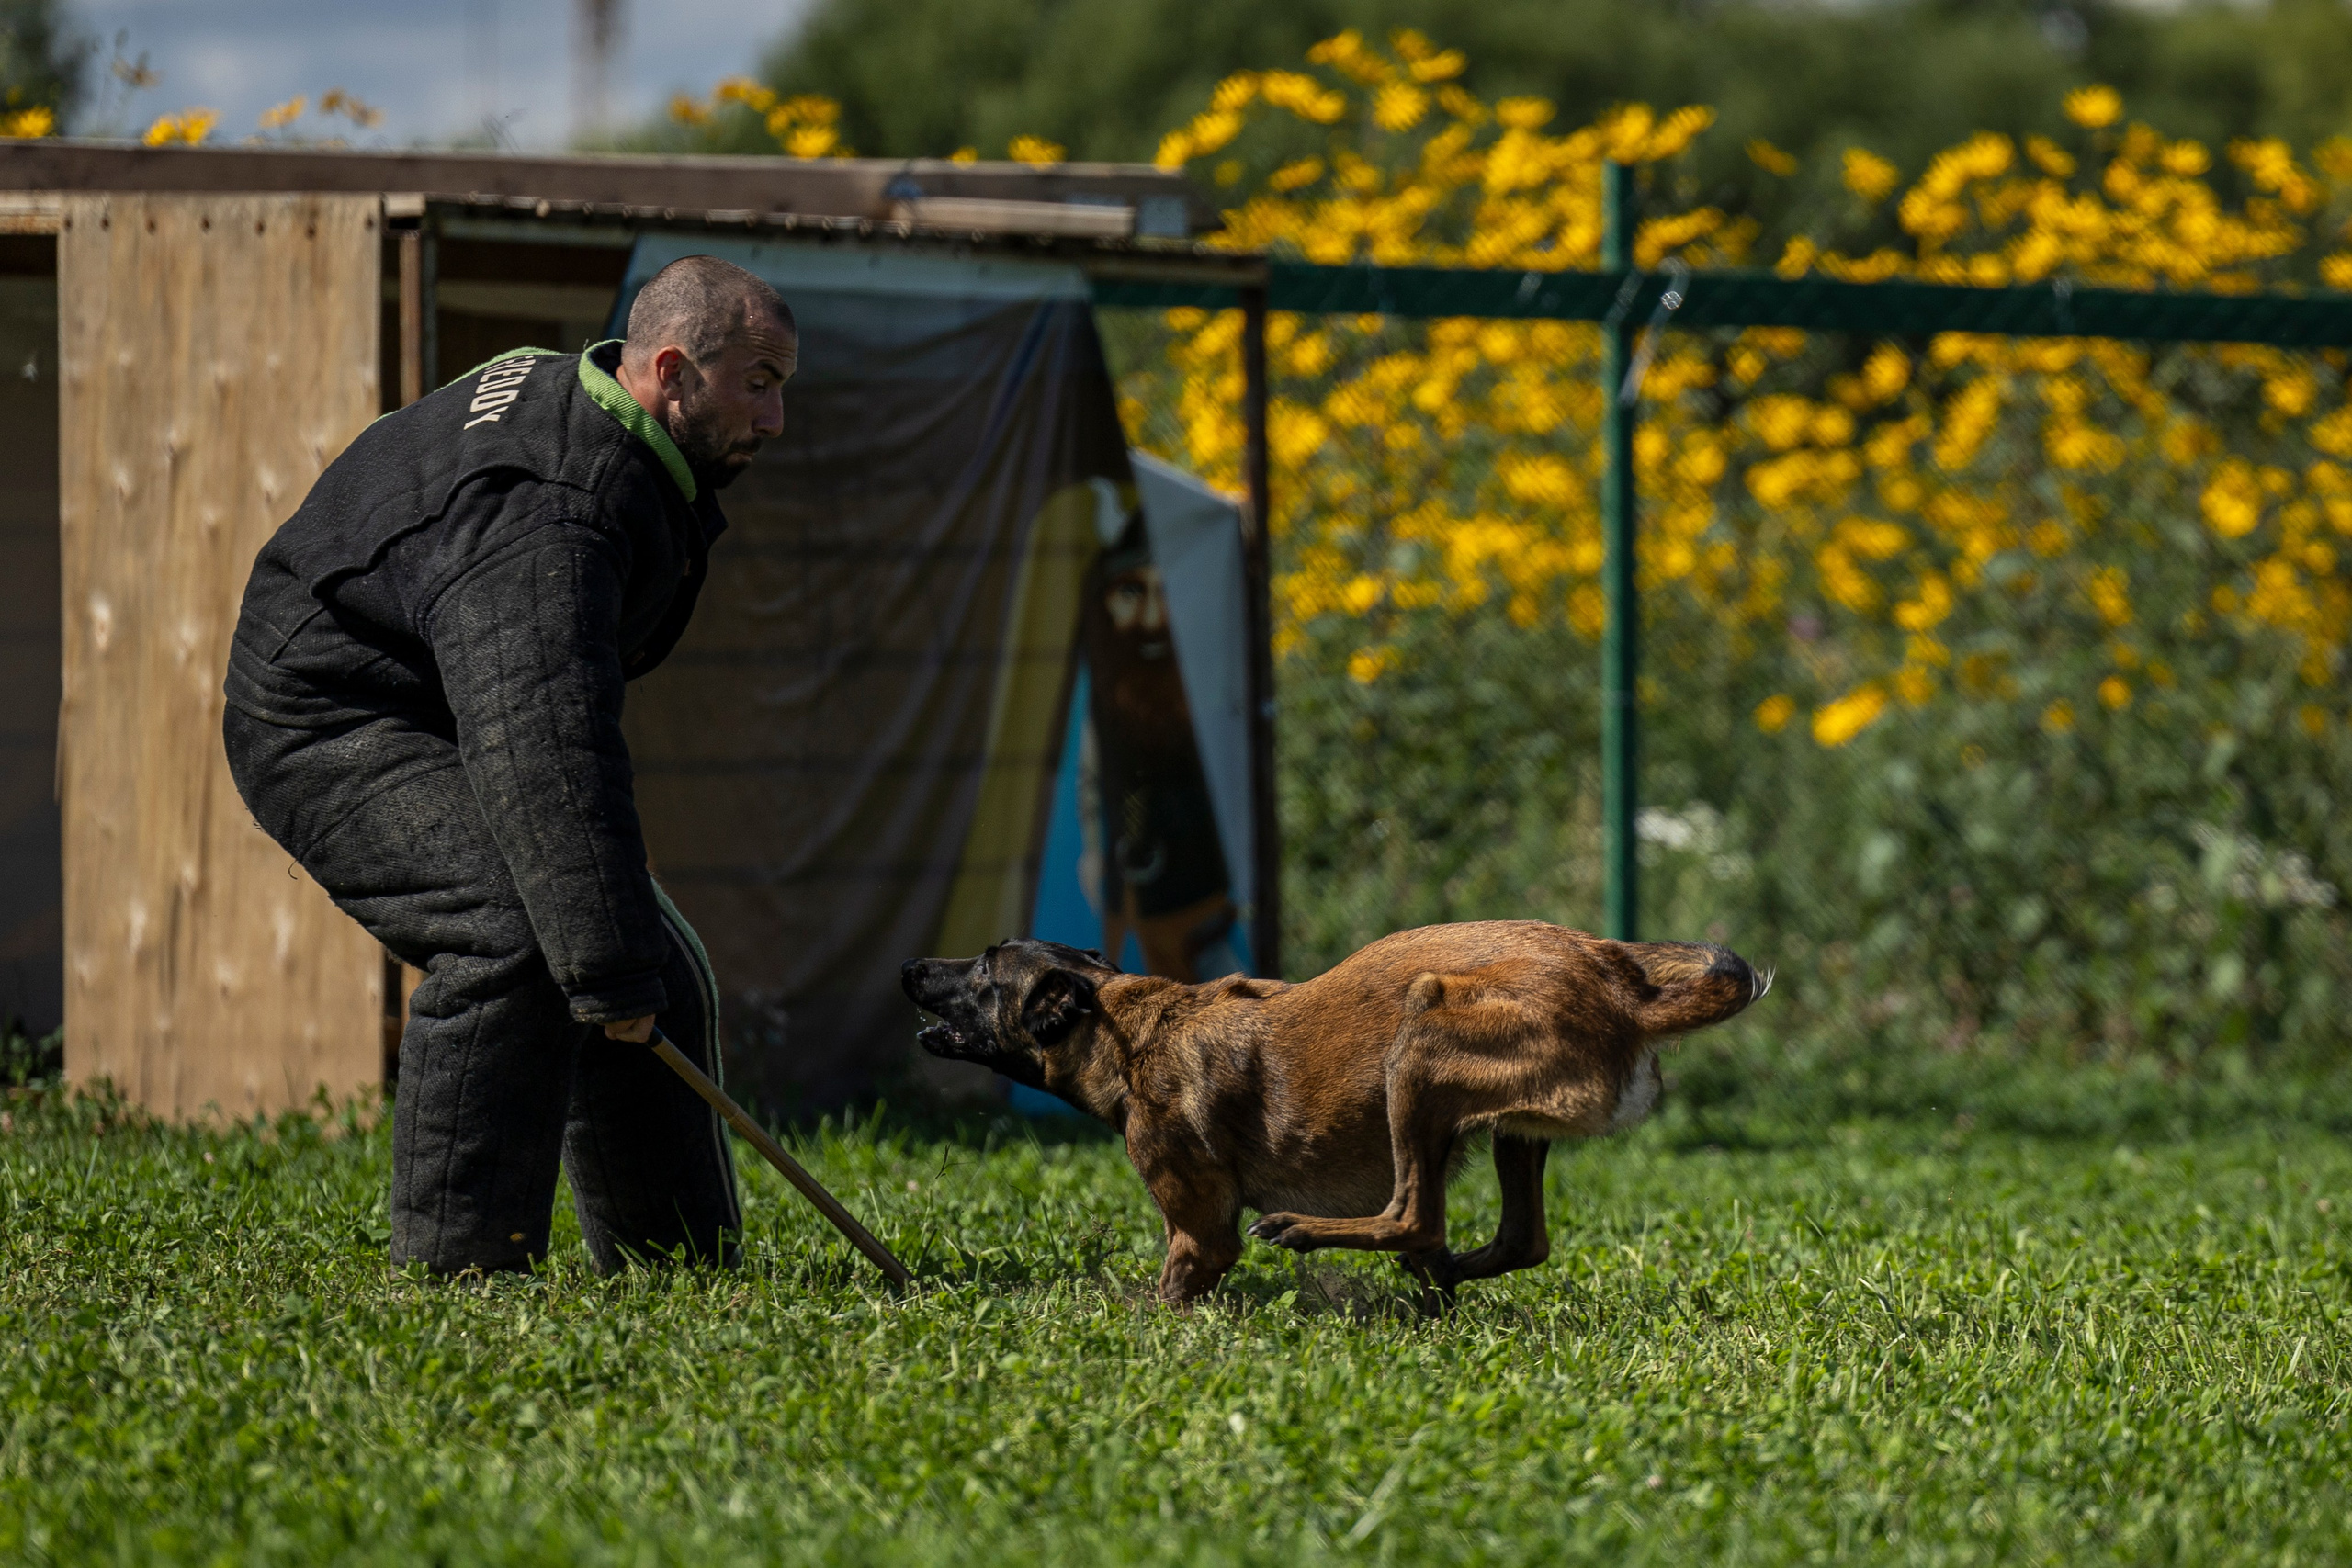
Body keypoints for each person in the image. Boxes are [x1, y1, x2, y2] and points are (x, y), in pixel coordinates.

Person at [220, 255, 794, 1276]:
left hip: (430, 690)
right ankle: (460, 1280)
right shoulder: (553, 514)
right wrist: (602, 967)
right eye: (758, 382)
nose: (776, 417)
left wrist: (621, 964)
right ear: (670, 370)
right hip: (326, 711)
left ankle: (679, 1275)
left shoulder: (593, 406)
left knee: (645, 961)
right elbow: (543, 743)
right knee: (519, 942)